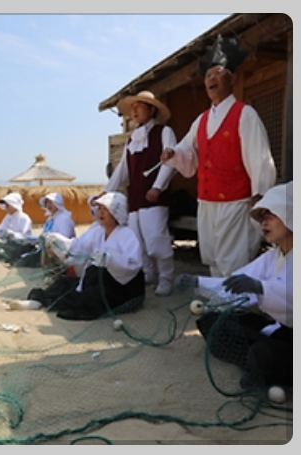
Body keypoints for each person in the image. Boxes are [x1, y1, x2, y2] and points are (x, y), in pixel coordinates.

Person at [160, 35, 277, 277]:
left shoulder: (245, 114)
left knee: (233, 259)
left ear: (232, 78)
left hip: (235, 201)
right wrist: (174, 153)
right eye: (208, 75)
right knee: (212, 256)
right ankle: (219, 304)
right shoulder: (201, 119)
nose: (211, 78)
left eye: (218, 72)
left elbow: (260, 158)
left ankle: (235, 308)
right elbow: (186, 149)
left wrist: (260, 194)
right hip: (206, 201)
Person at [184, 183, 291, 391]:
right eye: (261, 217)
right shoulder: (272, 257)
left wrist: (261, 288)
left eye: (270, 214)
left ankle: (261, 362)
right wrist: (197, 282)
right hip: (279, 331)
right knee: (213, 322)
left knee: (261, 353)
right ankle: (260, 362)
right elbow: (235, 283)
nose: (263, 222)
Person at [16, 192, 145, 321]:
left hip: (119, 285)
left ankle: (47, 302)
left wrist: (110, 260)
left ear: (117, 212)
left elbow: (133, 264)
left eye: (106, 209)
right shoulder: (97, 232)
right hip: (97, 278)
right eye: (99, 208)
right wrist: (57, 241)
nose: (100, 213)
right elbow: (78, 247)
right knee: (64, 283)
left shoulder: (127, 235)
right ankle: (40, 300)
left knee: (92, 296)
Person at [105, 91, 178, 295]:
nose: (134, 111)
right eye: (133, 107)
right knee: (137, 238)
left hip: (154, 197)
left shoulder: (164, 132)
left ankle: (165, 277)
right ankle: (148, 273)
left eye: (139, 106)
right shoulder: (132, 139)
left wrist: (157, 186)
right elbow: (122, 170)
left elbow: (170, 161)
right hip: (135, 196)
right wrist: (106, 193)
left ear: (152, 109)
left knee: (156, 238)